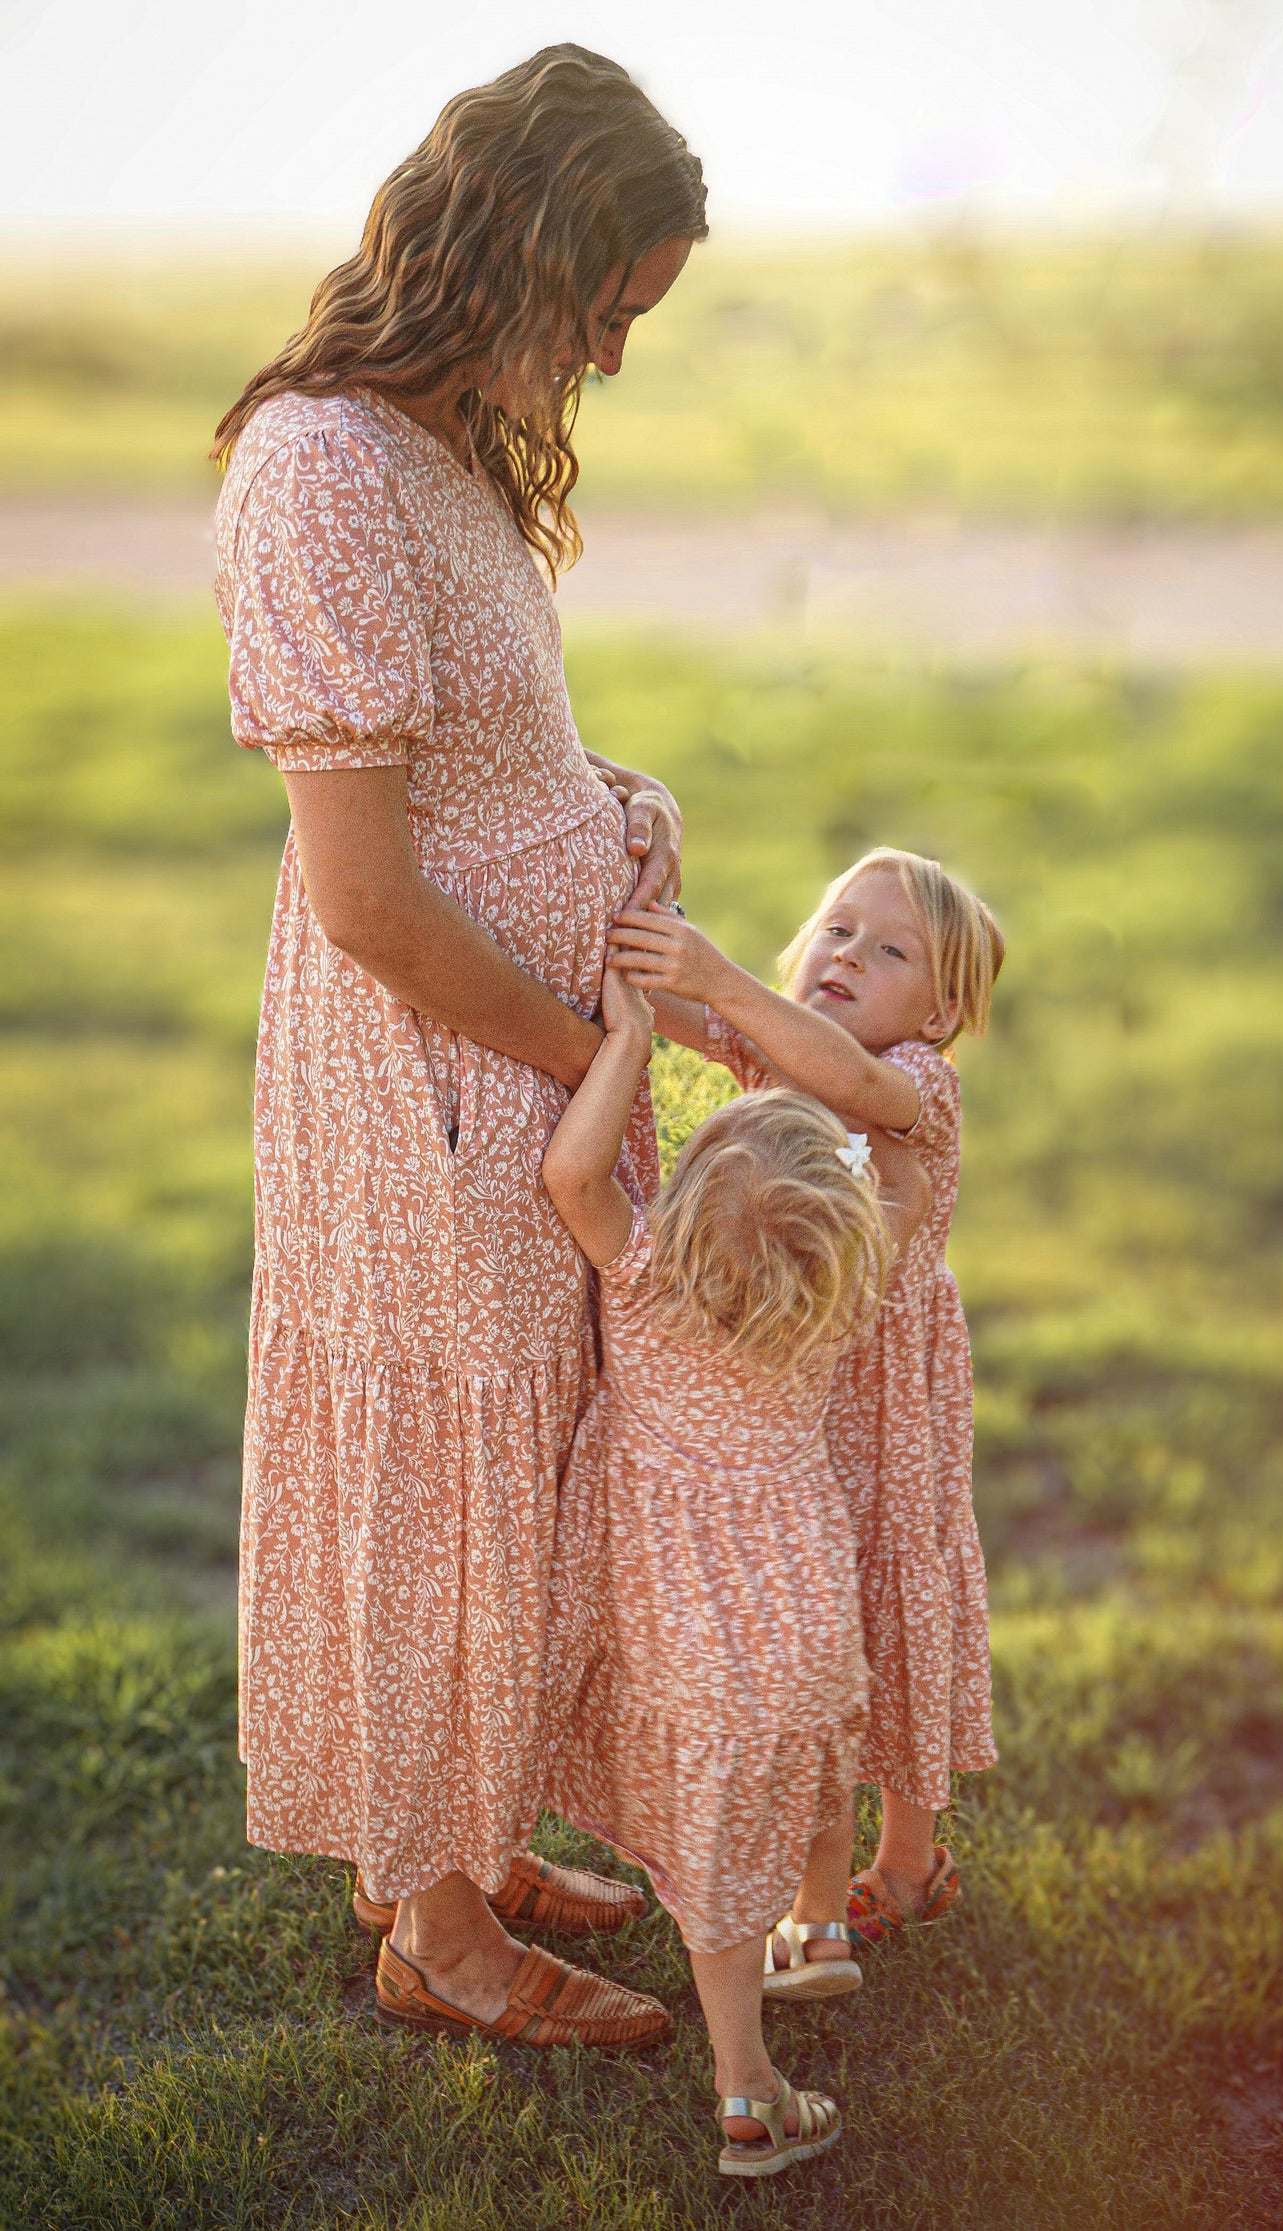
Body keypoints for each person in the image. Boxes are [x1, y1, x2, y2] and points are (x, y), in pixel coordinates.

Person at [212, 45, 707, 2049]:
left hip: (521, 1050)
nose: (603, 352)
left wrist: (599, 795)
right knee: (442, 1477)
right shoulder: (318, 470)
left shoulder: (435, 449)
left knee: (510, 1458)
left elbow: (474, 755)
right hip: (439, 1068)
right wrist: (588, 1031)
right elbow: (369, 902)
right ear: (511, 250)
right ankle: (432, 1920)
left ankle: (454, 1833)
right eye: (598, 306)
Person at [527, 958, 920, 2177]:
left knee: (714, 1863)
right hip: (802, 1619)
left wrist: (630, 1041)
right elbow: (904, 1171)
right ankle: (818, 1925)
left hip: (691, 1639)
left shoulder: (640, 1278)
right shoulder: (833, 1306)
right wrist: (863, 1111)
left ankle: (744, 2082)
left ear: (690, 1199)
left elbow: (567, 1171)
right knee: (805, 1763)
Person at [609, 846, 1004, 1964]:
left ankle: (910, 1858)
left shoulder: (917, 1080)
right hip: (798, 1400)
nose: (847, 956)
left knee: (896, 1584)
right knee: (823, 1608)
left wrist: (727, 981)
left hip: (883, 1394)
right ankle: (832, 1856)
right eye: (836, 928)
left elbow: (860, 1088)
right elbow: (676, 1001)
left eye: (890, 952)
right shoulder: (780, 1049)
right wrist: (639, 917)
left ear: (940, 1009)